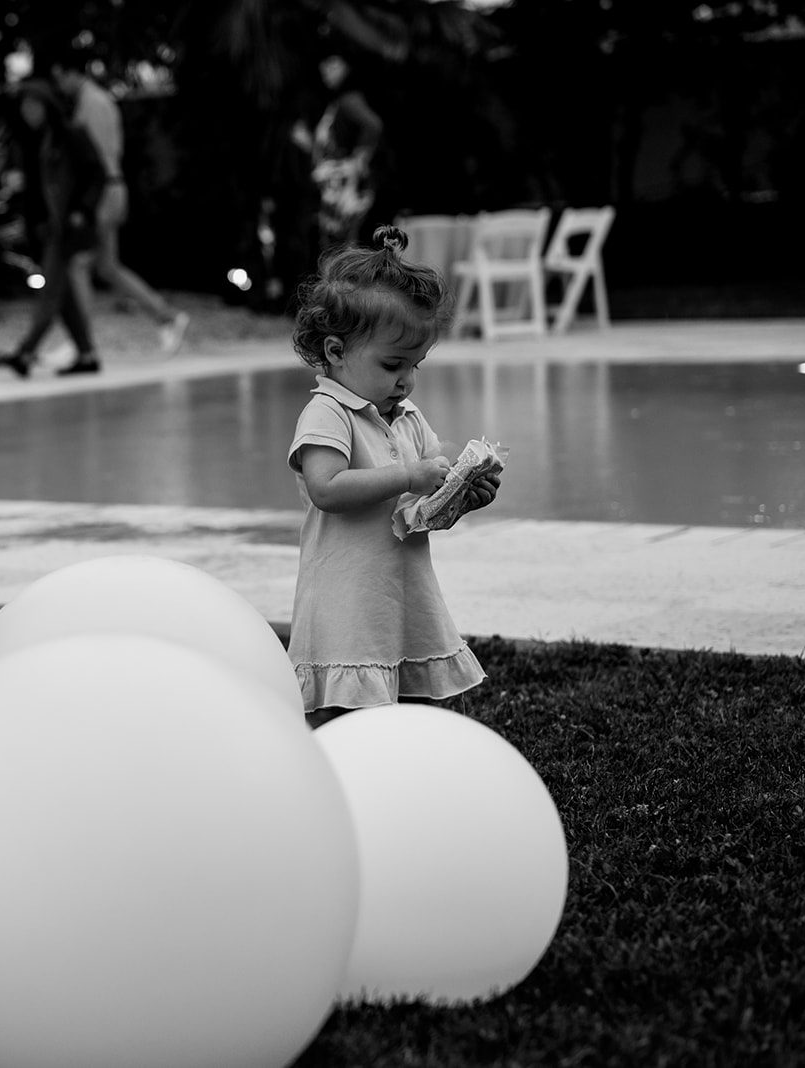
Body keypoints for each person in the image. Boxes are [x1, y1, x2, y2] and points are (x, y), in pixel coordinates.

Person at [287, 225, 500, 729]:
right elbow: (326, 487)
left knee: (412, 712)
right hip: (346, 604)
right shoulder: (328, 413)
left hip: (402, 598)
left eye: (416, 365)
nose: (406, 380)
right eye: (392, 364)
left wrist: (460, 494)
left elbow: (417, 509)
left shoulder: (406, 416)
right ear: (336, 351)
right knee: (344, 715)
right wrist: (407, 474)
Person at [43, 42, 190, 355]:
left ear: (71, 73)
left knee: (79, 263)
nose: (59, 85)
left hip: (103, 191)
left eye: (60, 77)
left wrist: (81, 200)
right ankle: (166, 316)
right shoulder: (92, 100)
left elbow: (95, 160)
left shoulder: (93, 103)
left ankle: (82, 342)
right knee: (107, 266)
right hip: (107, 188)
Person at [3, 79, 107, 377]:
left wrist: (82, 211)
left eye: (34, 105)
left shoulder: (69, 136)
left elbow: (96, 174)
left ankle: (25, 352)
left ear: (48, 106)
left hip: (66, 227)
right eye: (25, 106)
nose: (29, 112)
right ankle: (86, 353)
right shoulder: (29, 142)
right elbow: (33, 191)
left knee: (50, 292)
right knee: (63, 296)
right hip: (46, 228)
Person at [291, 53, 383, 252]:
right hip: (333, 190)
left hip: (344, 191)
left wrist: (358, 161)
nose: (325, 70)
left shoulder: (349, 100)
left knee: (344, 250)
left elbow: (374, 126)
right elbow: (327, 150)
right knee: (337, 249)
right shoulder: (335, 104)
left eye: (332, 64)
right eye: (324, 64)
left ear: (348, 66)